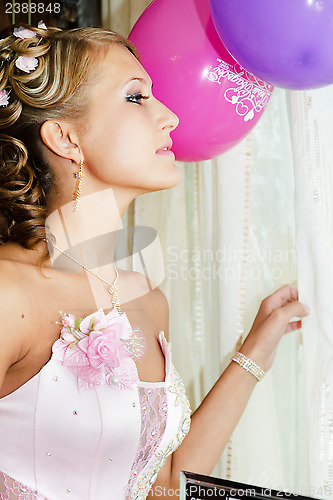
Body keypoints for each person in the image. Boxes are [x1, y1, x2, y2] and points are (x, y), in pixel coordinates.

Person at [0, 23, 309, 500]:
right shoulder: (8, 293)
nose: (171, 118)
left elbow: (160, 486)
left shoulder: (146, 299)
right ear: (65, 138)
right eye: (136, 97)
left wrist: (257, 350)